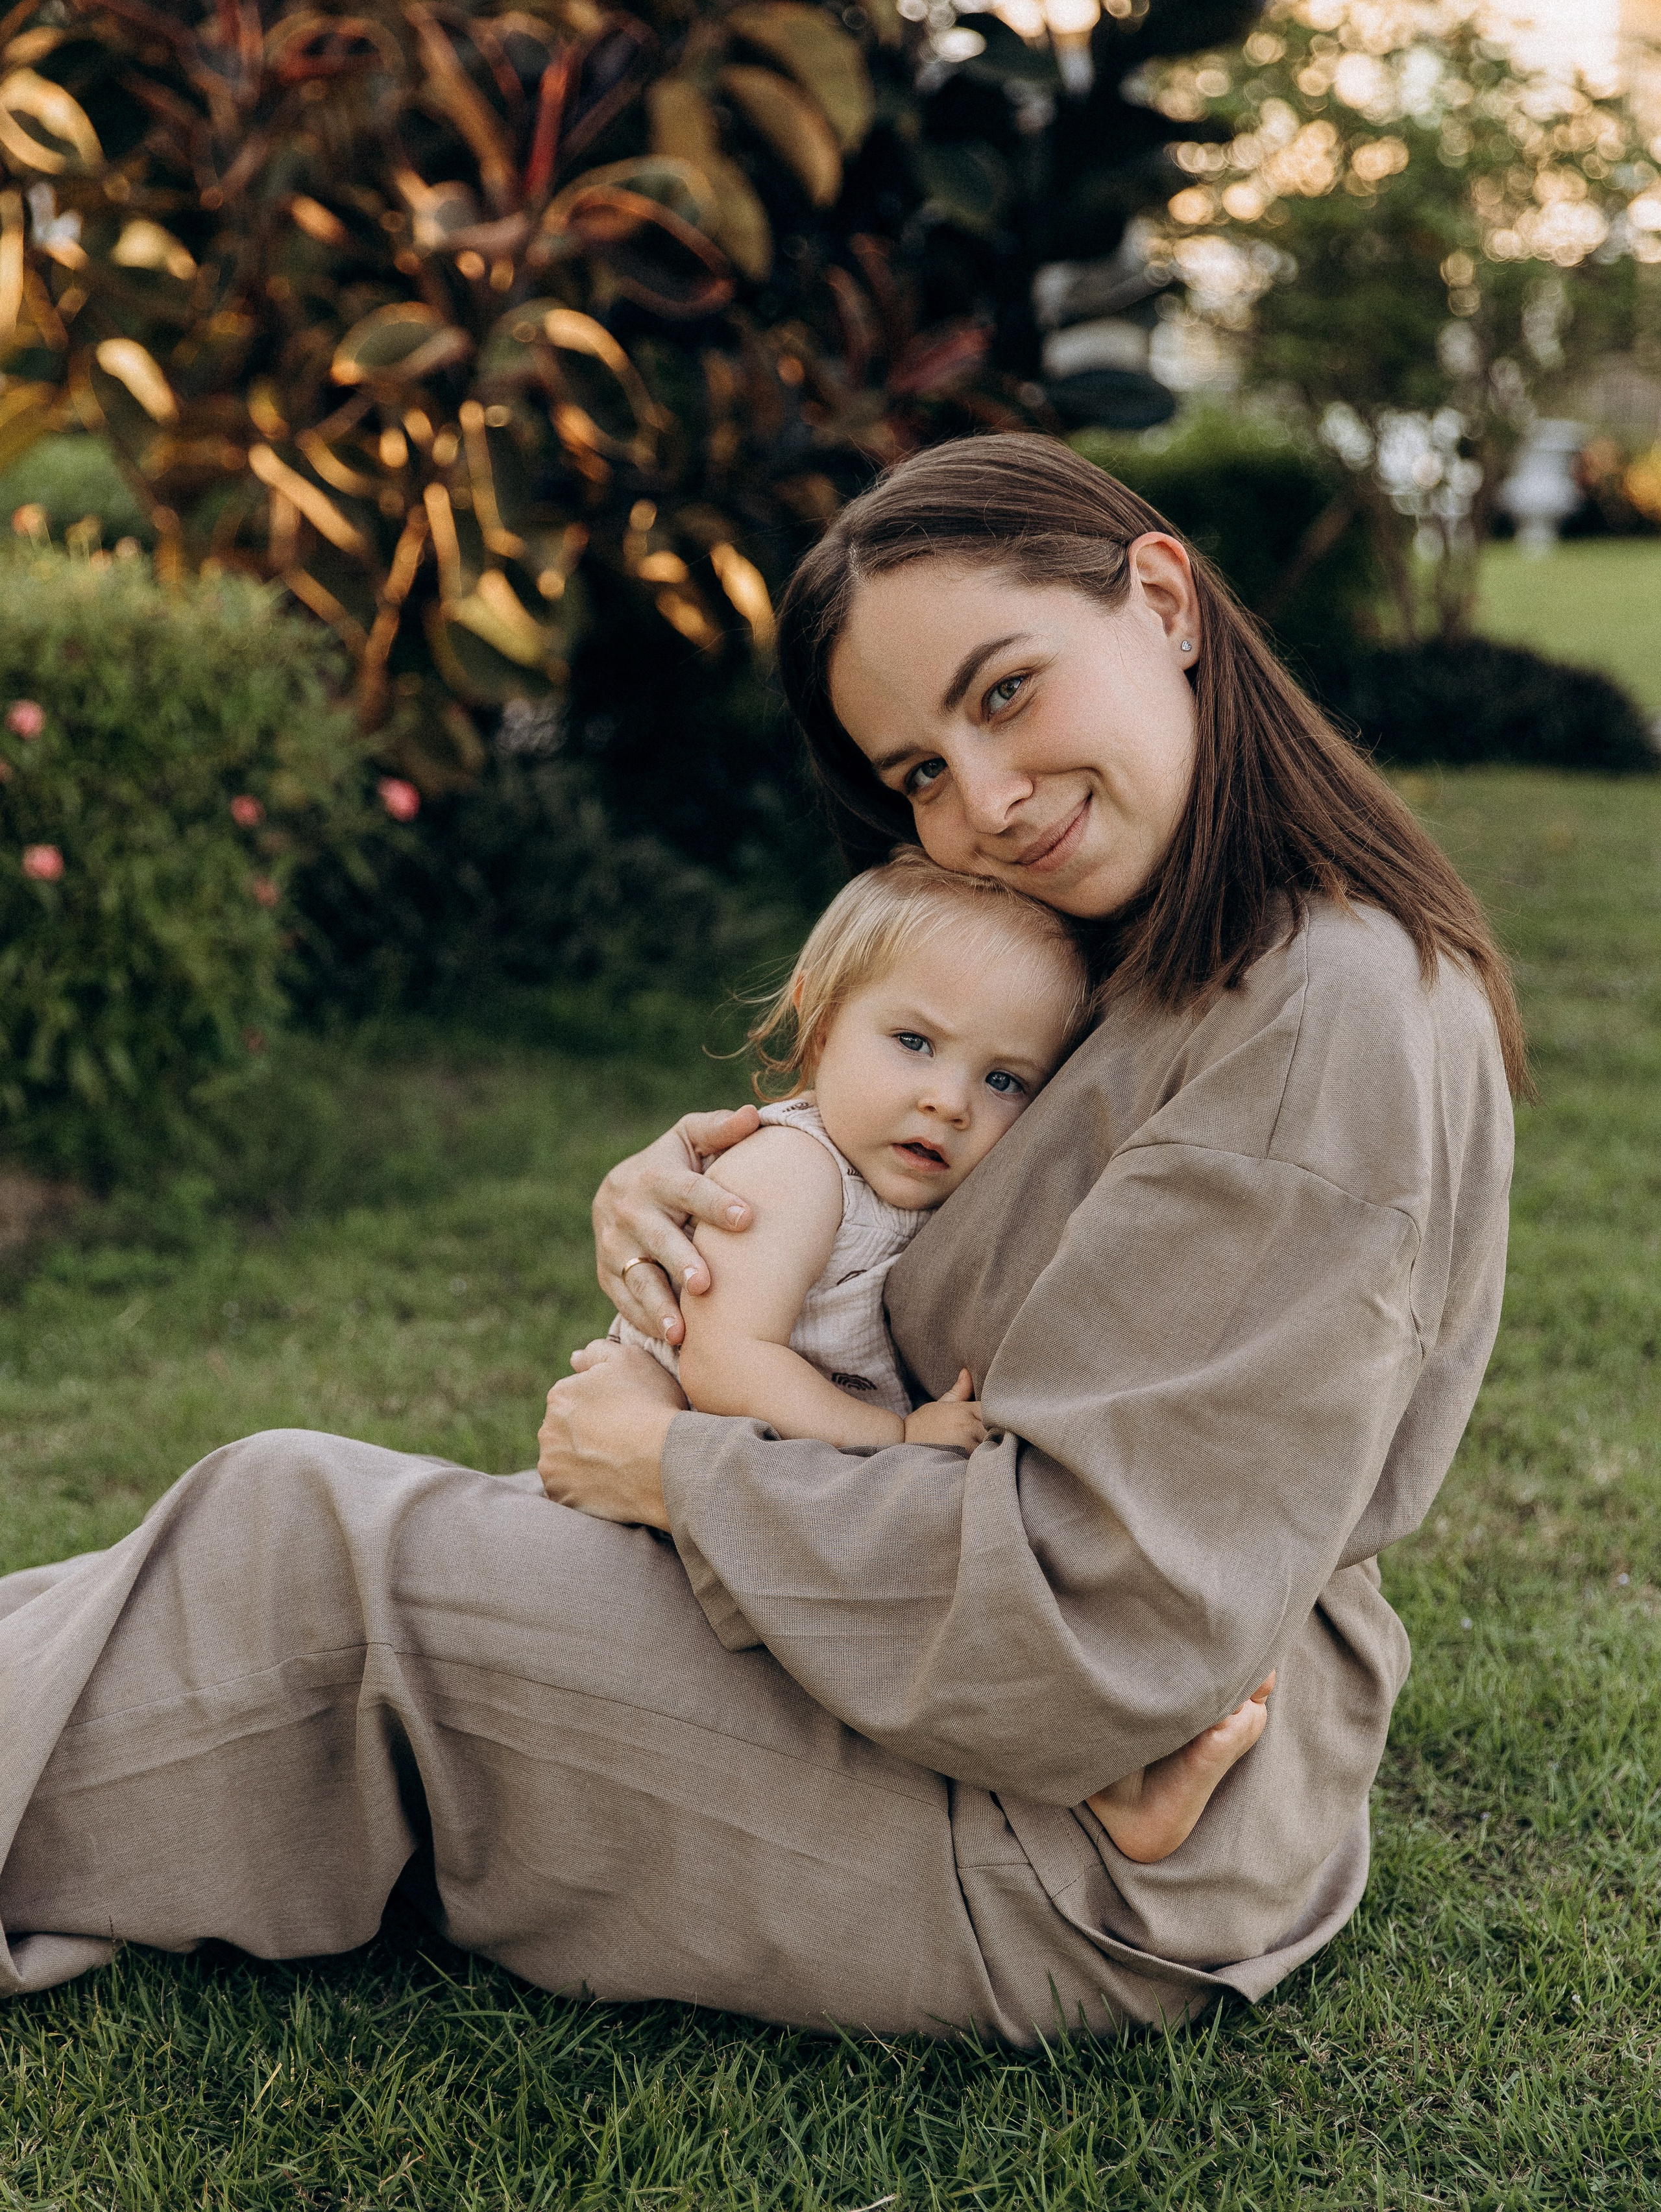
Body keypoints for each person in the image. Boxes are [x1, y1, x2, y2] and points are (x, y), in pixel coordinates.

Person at [0, 436, 1516, 2045]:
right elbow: (969, 1199)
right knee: (281, 1528)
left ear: (1159, 600)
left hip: (1069, 1848)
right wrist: (738, 1179)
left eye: (1001, 693)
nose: (980, 804)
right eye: (916, 772)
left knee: (312, 1554)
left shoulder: (1320, 1016)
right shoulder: (1166, 944)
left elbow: (1098, 1626)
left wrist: (673, 1470)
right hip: (975, 1706)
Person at [610, 845, 1276, 1863]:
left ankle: (1114, 1782)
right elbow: (726, 1363)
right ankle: (1106, 1787)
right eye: (914, 1041)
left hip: (771, 1498)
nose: (950, 1101)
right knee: (894, 1636)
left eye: (1005, 1078)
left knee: (941, 1620)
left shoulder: (912, 1191)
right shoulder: (793, 1169)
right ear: (823, 1022)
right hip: (675, 1517)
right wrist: (896, 1434)